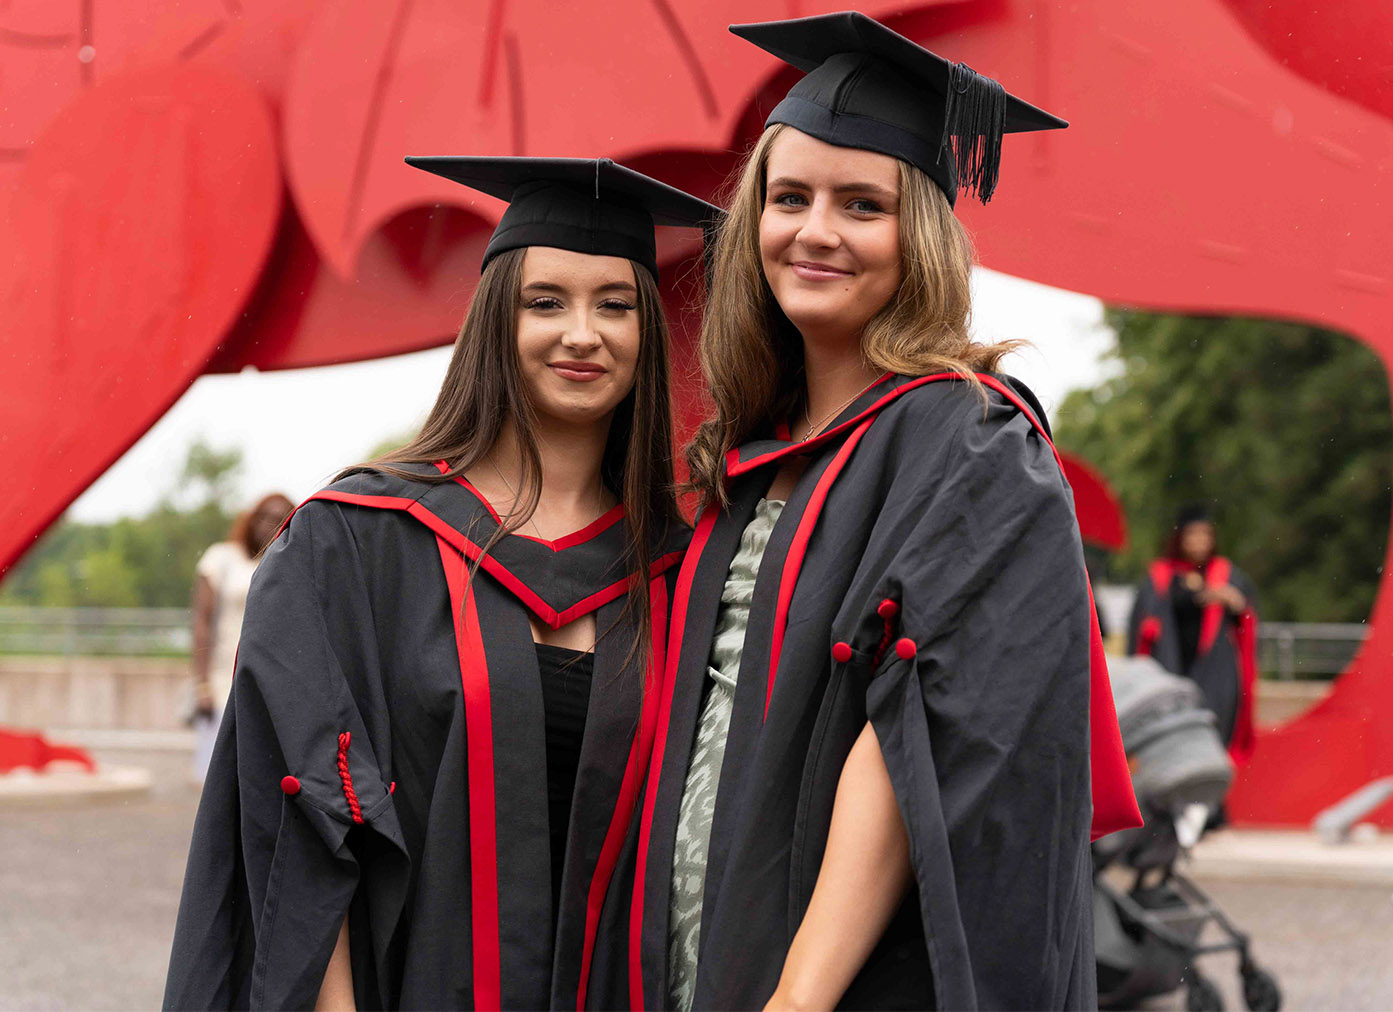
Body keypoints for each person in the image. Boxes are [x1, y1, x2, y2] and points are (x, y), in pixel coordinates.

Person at [608, 13, 1141, 1012]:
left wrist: (795, 1000)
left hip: (845, 982)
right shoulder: (746, 461)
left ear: (920, 239)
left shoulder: (969, 447)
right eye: (789, 197)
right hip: (696, 953)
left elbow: (916, 747)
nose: (814, 231)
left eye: (862, 204)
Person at [164, 157, 716, 1010]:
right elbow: (298, 824)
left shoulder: (682, 574)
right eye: (546, 302)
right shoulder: (357, 543)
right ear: (496, 323)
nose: (583, 332)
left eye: (616, 304)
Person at [1128, 504, 1258, 763]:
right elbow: (1142, 627)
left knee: (1211, 743)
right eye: (1192, 535)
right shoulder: (1161, 577)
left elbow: (1247, 621)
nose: (1200, 541)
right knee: (1170, 747)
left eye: (1205, 534)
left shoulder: (1227, 576)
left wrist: (1234, 603)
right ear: (1179, 539)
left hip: (1214, 676)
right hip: (1170, 672)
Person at [188, 492, 293, 783]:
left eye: (279, 518)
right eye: (264, 516)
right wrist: (201, 684)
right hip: (223, 682)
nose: (269, 524)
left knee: (258, 779)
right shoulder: (221, 558)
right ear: (251, 518)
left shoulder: (288, 561)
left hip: (271, 685)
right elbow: (201, 622)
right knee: (216, 777)